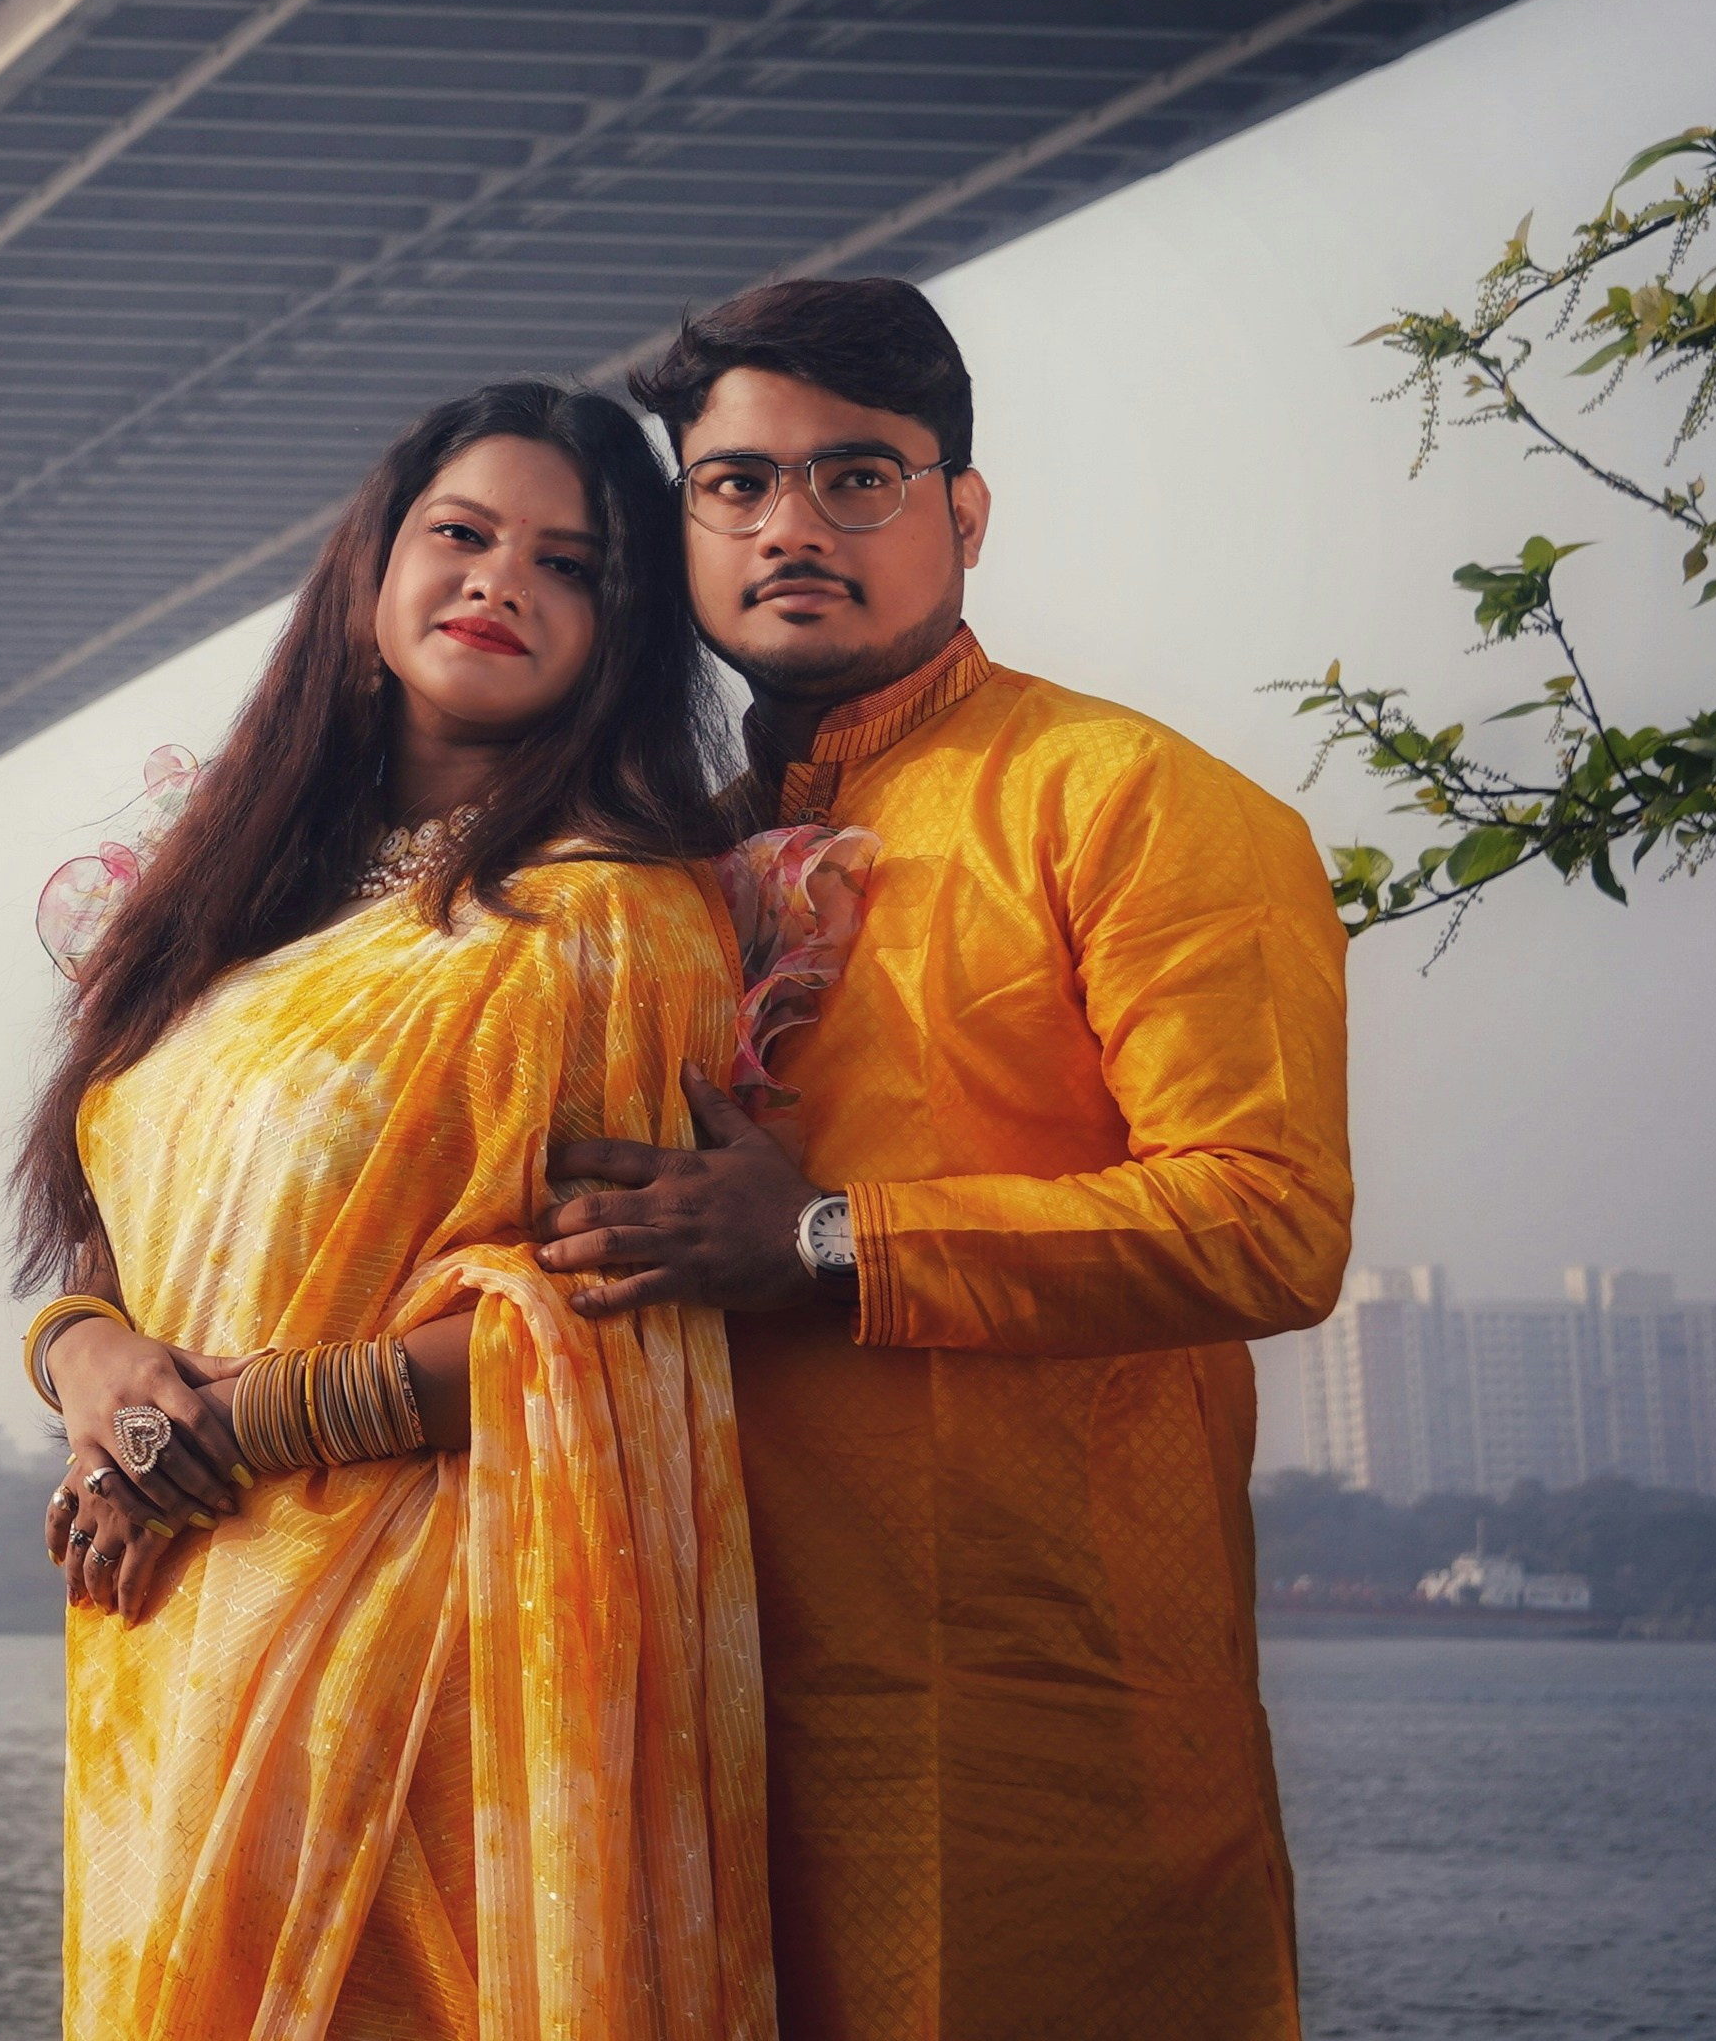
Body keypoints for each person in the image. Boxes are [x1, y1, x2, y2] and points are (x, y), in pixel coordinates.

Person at [535, 277, 1351, 2041]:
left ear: (963, 514)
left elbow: (1271, 1224)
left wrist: (829, 1241)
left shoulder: (1130, 803)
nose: (791, 528)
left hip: (1024, 1731)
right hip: (680, 1713)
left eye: (860, 479)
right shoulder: (653, 858)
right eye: (735, 486)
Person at [19, 379, 786, 2041]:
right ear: (372, 572)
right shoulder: (223, 900)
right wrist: (85, 1368)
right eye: (464, 533)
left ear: (622, 631)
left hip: (424, 1657)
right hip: (176, 1642)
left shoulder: (608, 923)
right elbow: (120, 1238)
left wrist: (249, 1421)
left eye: (570, 566)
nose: (502, 581)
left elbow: (618, 1321)